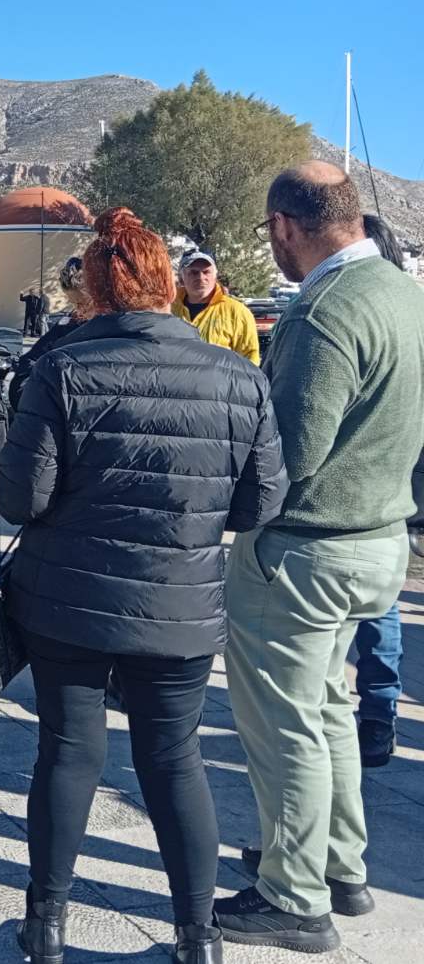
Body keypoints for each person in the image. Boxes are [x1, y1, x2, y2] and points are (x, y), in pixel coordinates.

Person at [0, 207, 286, 964]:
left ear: (94, 290)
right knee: (175, 760)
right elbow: (261, 502)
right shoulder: (239, 376)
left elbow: (21, 498)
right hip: (180, 601)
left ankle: (46, 927)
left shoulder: (64, 369)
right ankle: (198, 936)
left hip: (69, 601)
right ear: (168, 284)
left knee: (67, 754)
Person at [218, 163, 424, 952]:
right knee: (330, 708)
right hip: (378, 540)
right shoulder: (404, 294)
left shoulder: (324, 311)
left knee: (285, 723)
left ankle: (294, 895)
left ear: (283, 227)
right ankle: (339, 864)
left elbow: (291, 454)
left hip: (305, 551)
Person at [346, 215, 411, 769]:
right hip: (392, 502)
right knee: (380, 611)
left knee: (377, 615)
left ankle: (377, 714)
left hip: (365, 500)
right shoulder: (408, 312)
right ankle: (378, 715)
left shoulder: (360, 314)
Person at [7, 257, 88, 412]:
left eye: (81, 304)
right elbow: (30, 360)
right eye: (73, 304)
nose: (78, 311)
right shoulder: (66, 325)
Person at [171, 250, 259, 365]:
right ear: (182, 277)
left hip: (221, 377)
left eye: (206, 272)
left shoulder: (237, 312)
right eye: (193, 272)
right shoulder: (168, 309)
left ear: (215, 275)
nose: (201, 277)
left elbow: (250, 358)